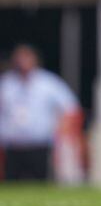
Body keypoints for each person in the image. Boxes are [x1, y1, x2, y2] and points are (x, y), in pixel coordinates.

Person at [0, 45, 79, 181]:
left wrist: (61, 132)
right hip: (12, 145)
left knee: (40, 182)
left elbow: (70, 107)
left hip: (39, 144)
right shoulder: (6, 84)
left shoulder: (48, 83)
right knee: (11, 184)